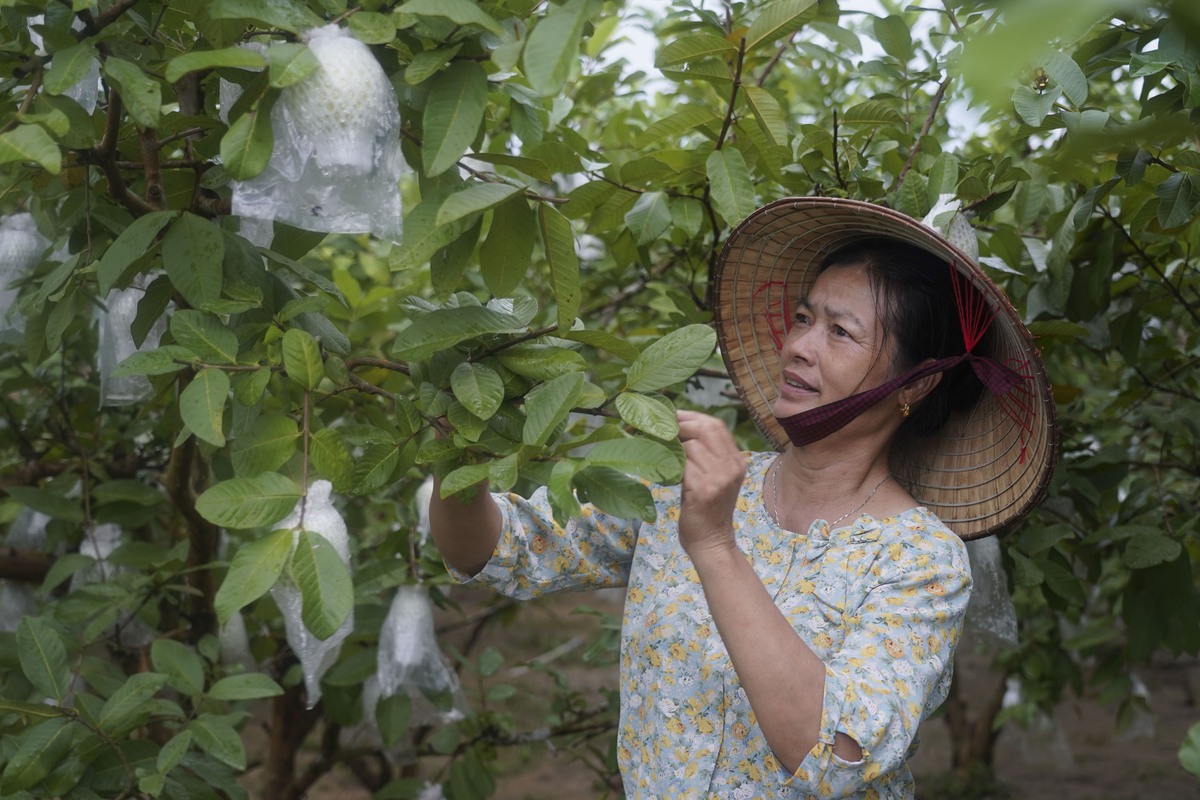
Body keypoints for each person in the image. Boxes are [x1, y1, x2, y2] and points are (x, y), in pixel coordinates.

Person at [430, 197, 1058, 799]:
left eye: (840, 332)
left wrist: (713, 544)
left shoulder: (919, 559)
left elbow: (841, 758)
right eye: (806, 318)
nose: (799, 346)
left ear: (914, 387)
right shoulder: (694, 483)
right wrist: (457, 445)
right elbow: (496, 550)